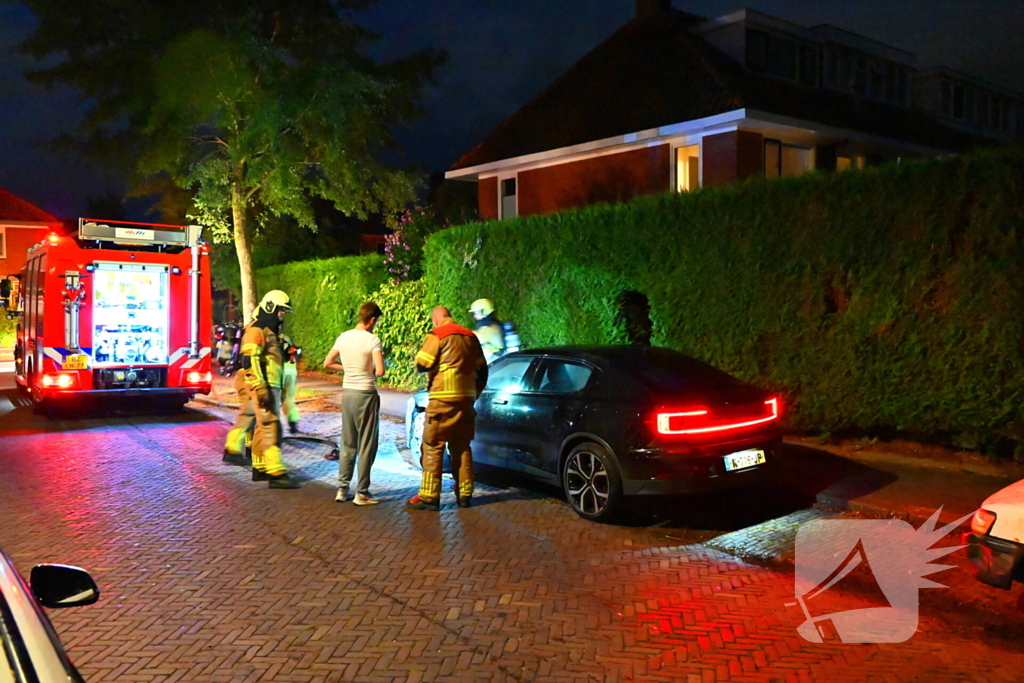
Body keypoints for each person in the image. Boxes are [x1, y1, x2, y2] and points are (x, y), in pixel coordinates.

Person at [406, 306, 488, 511]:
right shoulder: (470, 337)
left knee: (433, 446)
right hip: (465, 402)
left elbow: (422, 364)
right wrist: (474, 394)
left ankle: (429, 497)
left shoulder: (438, 335)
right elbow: (482, 370)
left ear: (436, 320)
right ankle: (465, 494)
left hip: (442, 401)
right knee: (462, 447)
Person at [222, 290, 300, 489]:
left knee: (258, 423)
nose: (282, 315)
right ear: (270, 307)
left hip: (270, 385)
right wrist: (260, 387)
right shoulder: (257, 329)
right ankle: (277, 473)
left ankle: (260, 467)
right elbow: (249, 360)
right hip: (264, 386)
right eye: (281, 310)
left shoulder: (268, 331)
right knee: (271, 426)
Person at [323, 301, 385, 505]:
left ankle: (342, 489)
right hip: (366, 394)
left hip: (348, 393)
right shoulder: (372, 340)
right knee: (366, 443)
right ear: (372, 320)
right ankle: (362, 492)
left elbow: (328, 363)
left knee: (348, 442)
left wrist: (348, 369)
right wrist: (367, 369)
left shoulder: (344, 337)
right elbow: (380, 371)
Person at [467, 298, 505, 364]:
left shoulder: (489, 326)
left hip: (495, 360)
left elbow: (475, 337)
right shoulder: (493, 322)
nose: (474, 316)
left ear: (483, 311)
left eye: (476, 313)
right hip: (497, 359)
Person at [280, 334, 301, 434]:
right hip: (291, 373)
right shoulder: (288, 342)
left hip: (277, 373)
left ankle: (274, 428)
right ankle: (293, 422)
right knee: (288, 398)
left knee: (272, 400)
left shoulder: (269, 338)